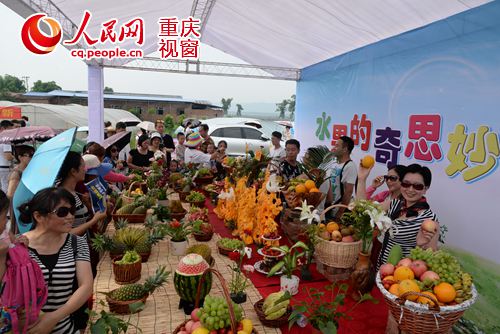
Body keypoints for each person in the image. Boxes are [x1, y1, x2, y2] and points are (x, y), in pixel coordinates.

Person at [19, 187, 93, 334]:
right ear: (39, 216)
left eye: (72, 211)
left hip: (66, 328)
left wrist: (52, 318)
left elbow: (86, 286)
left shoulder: (77, 243)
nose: (70, 216)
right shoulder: (18, 246)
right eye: (62, 212)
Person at [377, 164, 439, 270]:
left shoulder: (430, 220)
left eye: (417, 186)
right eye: (406, 184)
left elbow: (429, 262)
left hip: (403, 276)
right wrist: (362, 178)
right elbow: (363, 209)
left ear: (425, 189)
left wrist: (419, 245)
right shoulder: (393, 204)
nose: (410, 189)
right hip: (382, 268)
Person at [57, 152, 107, 238]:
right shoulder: (62, 197)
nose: (86, 170)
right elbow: (66, 234)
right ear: (73, 171)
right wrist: (94, 220)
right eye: (83, 166)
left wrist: (87, 204)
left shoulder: (73, 192)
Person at [326, 136, 357, 221]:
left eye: (337, 146)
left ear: (345, 149)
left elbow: (348, 192)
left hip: (338, 211)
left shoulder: (350, 166)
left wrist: (340, 213)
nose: (334, 148)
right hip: (330, 208)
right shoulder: (335, 163)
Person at [0, 120, 14, 193]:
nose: (11, 131)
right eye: (10, 129)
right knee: (6, 188)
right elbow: (8, 156)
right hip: (4, 168)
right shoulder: (6, 140)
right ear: (3, 128)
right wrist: (15, 157)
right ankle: (5, 204)